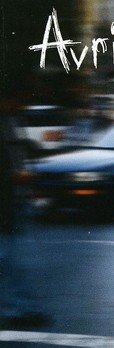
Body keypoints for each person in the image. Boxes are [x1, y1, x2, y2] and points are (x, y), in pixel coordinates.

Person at [0, 102, 51, 328]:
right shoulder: (8, 121)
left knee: (15, 261)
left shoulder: (11, 120)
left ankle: (23, 309)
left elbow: (17, 155)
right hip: (7, 203)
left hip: (15, 202)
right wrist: (15, 177)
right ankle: (20, 310)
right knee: (12, 260)